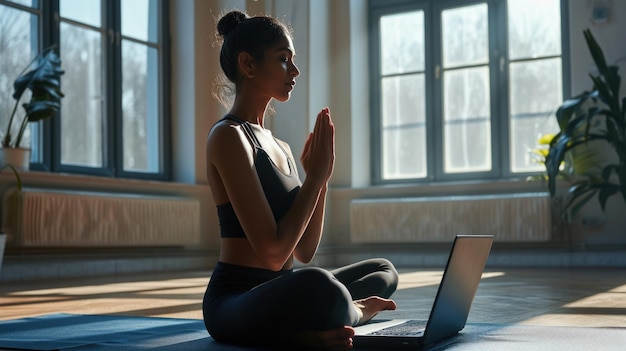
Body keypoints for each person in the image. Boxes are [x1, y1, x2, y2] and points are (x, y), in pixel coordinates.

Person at [202, 10, 399, 350]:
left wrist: (319, 180)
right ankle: (356, 313)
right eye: (283, 60)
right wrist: (314, 180)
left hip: (284, 291)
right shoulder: (228, 137)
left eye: (293, 60)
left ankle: (306, 330)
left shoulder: (282, 147)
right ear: (248, 64)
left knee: (383, 270)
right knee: (320, 286)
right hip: (234, 302)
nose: (295, 71)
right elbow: (274, 255)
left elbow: (304, 249)